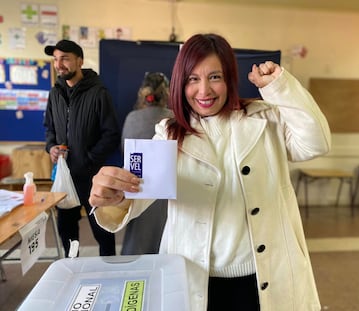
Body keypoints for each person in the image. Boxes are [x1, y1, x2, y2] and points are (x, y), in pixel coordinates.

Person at [89, 33, 331, 311]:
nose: (204, 91)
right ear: (180, 83)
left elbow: (317, 143)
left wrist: (280, 88)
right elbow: (138, 194)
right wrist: (114, 195)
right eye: (193, 79)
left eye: (214, 76)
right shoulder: (167, 133)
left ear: (229, 78)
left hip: (262, 278)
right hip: (196, 279)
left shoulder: (266, 120)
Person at [43, 39, 121, 257]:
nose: (59, 64)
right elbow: (49, 128)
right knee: (66, 229)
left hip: (91, 175)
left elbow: (111, 134)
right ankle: (72, 267)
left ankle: (109, 267)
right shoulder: (55, 93)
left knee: (102, 229)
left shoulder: (98, 92)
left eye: (65, 58)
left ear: (80, 61)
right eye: (56, 59)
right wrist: (51, 147)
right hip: (64, 176)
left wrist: (88, 159)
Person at [121, 72, 173, 255]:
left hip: (138, 186)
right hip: (167, 190)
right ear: (166, 93)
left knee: (138, 236)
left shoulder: (132, 118)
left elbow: (124, 151)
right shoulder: (173, 118)